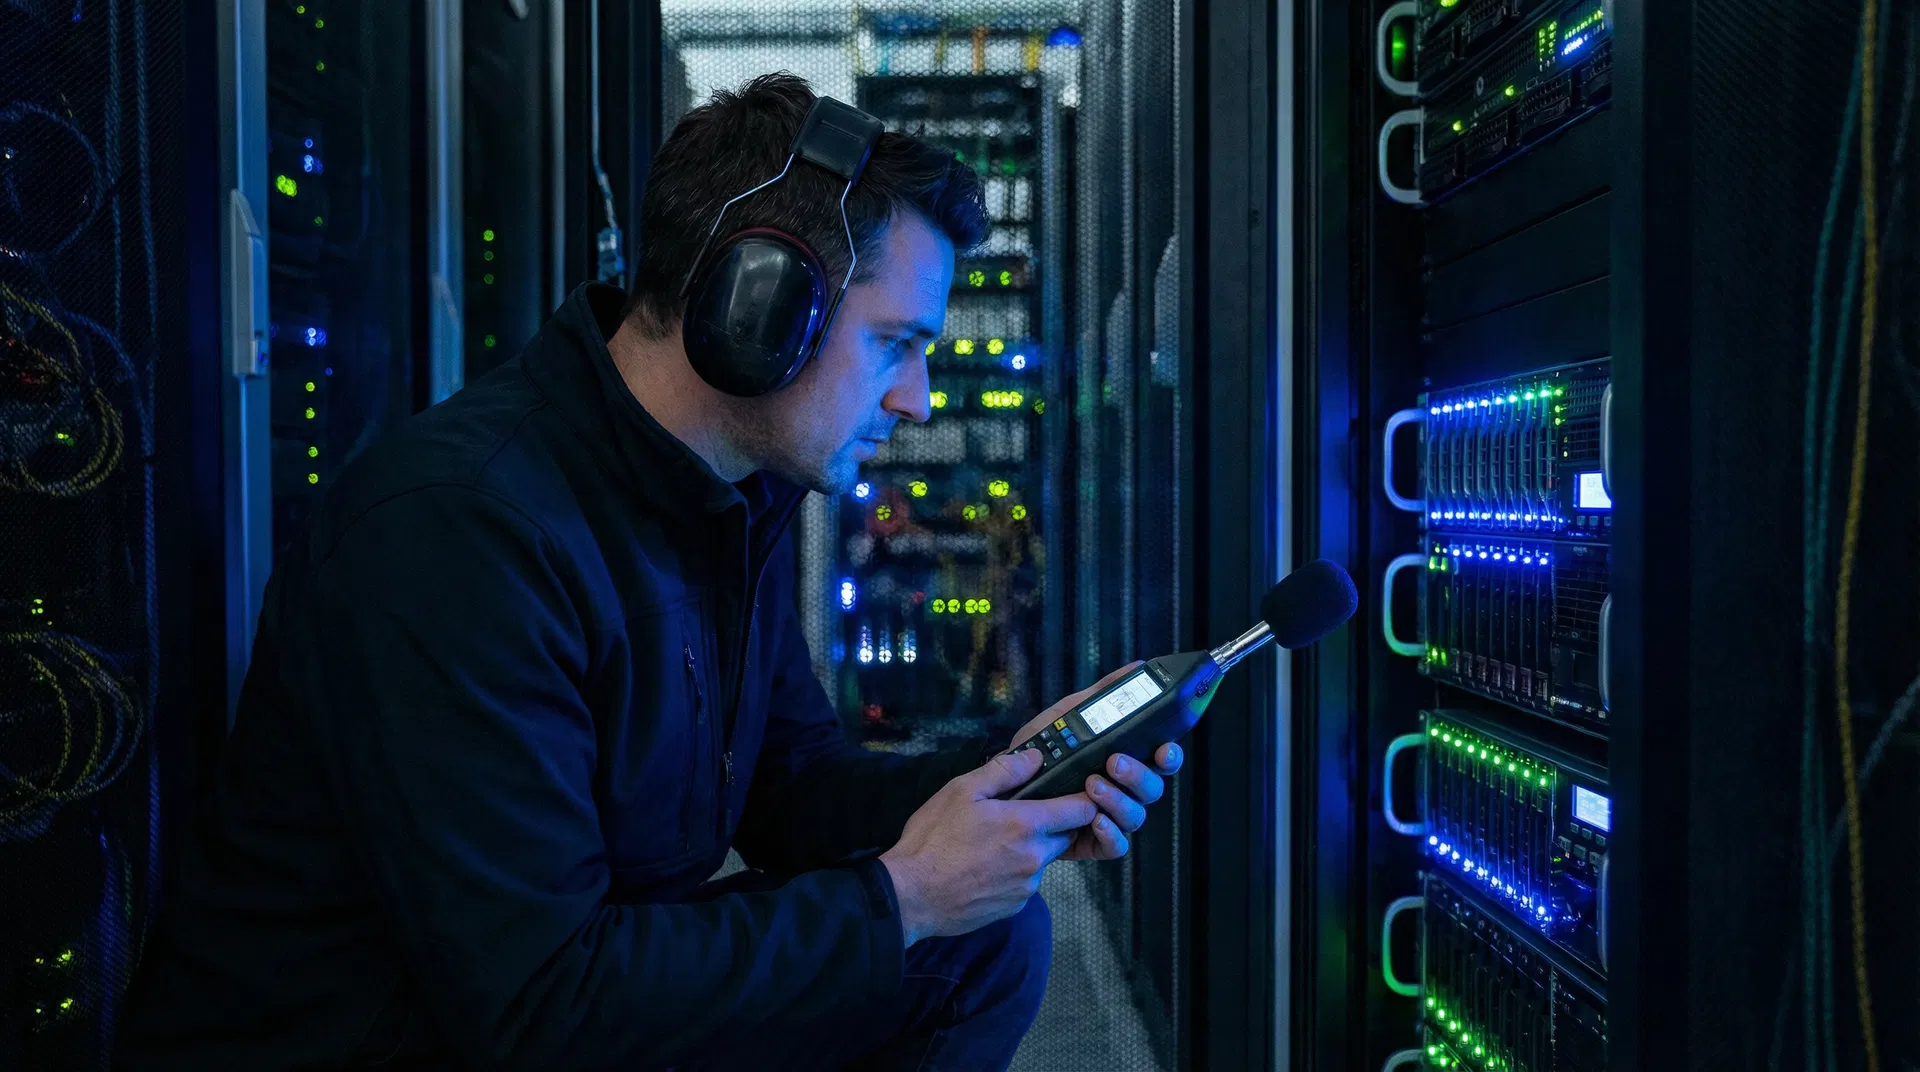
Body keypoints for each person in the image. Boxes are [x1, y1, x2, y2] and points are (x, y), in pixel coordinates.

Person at [115, 73, 1181, 1071]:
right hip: (405, 1038)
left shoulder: (730, 495)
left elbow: (793, 792)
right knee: (932, 928)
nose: (917, 401)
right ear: (763, 307)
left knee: (988, 938)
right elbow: (539, 1001)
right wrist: (904, 894)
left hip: (557, 1004)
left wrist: (1009, 772)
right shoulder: (461, 532)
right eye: (897, 344)